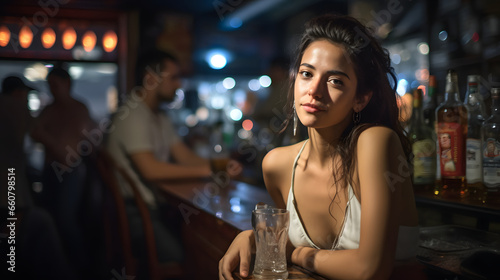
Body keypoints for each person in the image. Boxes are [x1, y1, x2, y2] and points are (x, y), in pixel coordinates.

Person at [219, 14, 423, 280]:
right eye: (306, 74)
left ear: (360, 98)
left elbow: (370, 269)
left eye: (335, 81)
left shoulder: (375, 142)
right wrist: (252, 238)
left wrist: (294, 253)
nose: (314, 90)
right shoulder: (277, 165)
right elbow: (283, 242)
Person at [105, 50, 212, 264]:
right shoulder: (133, 114)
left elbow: (184, 156)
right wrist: (208, 171)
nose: (179, 84)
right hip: (135, 213)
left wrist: (222, 166)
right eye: (173, 77)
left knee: (200, 244)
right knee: (187, 257)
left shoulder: (158, 115)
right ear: (150, 79)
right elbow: (150, 170)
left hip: (154, 208)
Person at [30, 67, 95, 276]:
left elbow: (84, 143)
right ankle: (58, 267)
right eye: (50, 86)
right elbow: (35, 132)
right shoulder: (49, 109)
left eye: (55, 85)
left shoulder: (78, 109)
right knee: (52, 217)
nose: (52, 90)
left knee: (66, 219)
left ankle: (80, 267)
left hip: (71, 172)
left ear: (67, 84)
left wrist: (60, 148)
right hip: (50, 170)